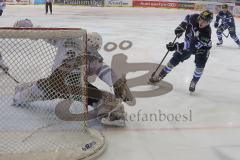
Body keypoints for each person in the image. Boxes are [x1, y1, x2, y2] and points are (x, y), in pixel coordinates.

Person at [12, 19, 134, 127]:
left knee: (24, 95)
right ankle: (113, 113)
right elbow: (106, 72)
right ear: (96, 47)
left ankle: (20, 93)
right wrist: (117, 82)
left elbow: (44, 33)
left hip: (53, 83)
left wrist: (28, 26)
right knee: (102, 96)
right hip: (74, 86)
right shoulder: (94, 57)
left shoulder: (67, 38)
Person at [150, 10, 213, 93]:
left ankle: (194, 82)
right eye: (201, 19)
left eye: (205, 22)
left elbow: (191, 47)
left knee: (200, 66)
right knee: (175, 59)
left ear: (209, 23)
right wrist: (182, 26)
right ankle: (160, 76)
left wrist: (176, 46)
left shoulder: (205, 34)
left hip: (202, 48)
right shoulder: (194, 17)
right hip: (189, 42)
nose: (202, 22)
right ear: (199, 17)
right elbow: (187, 18)